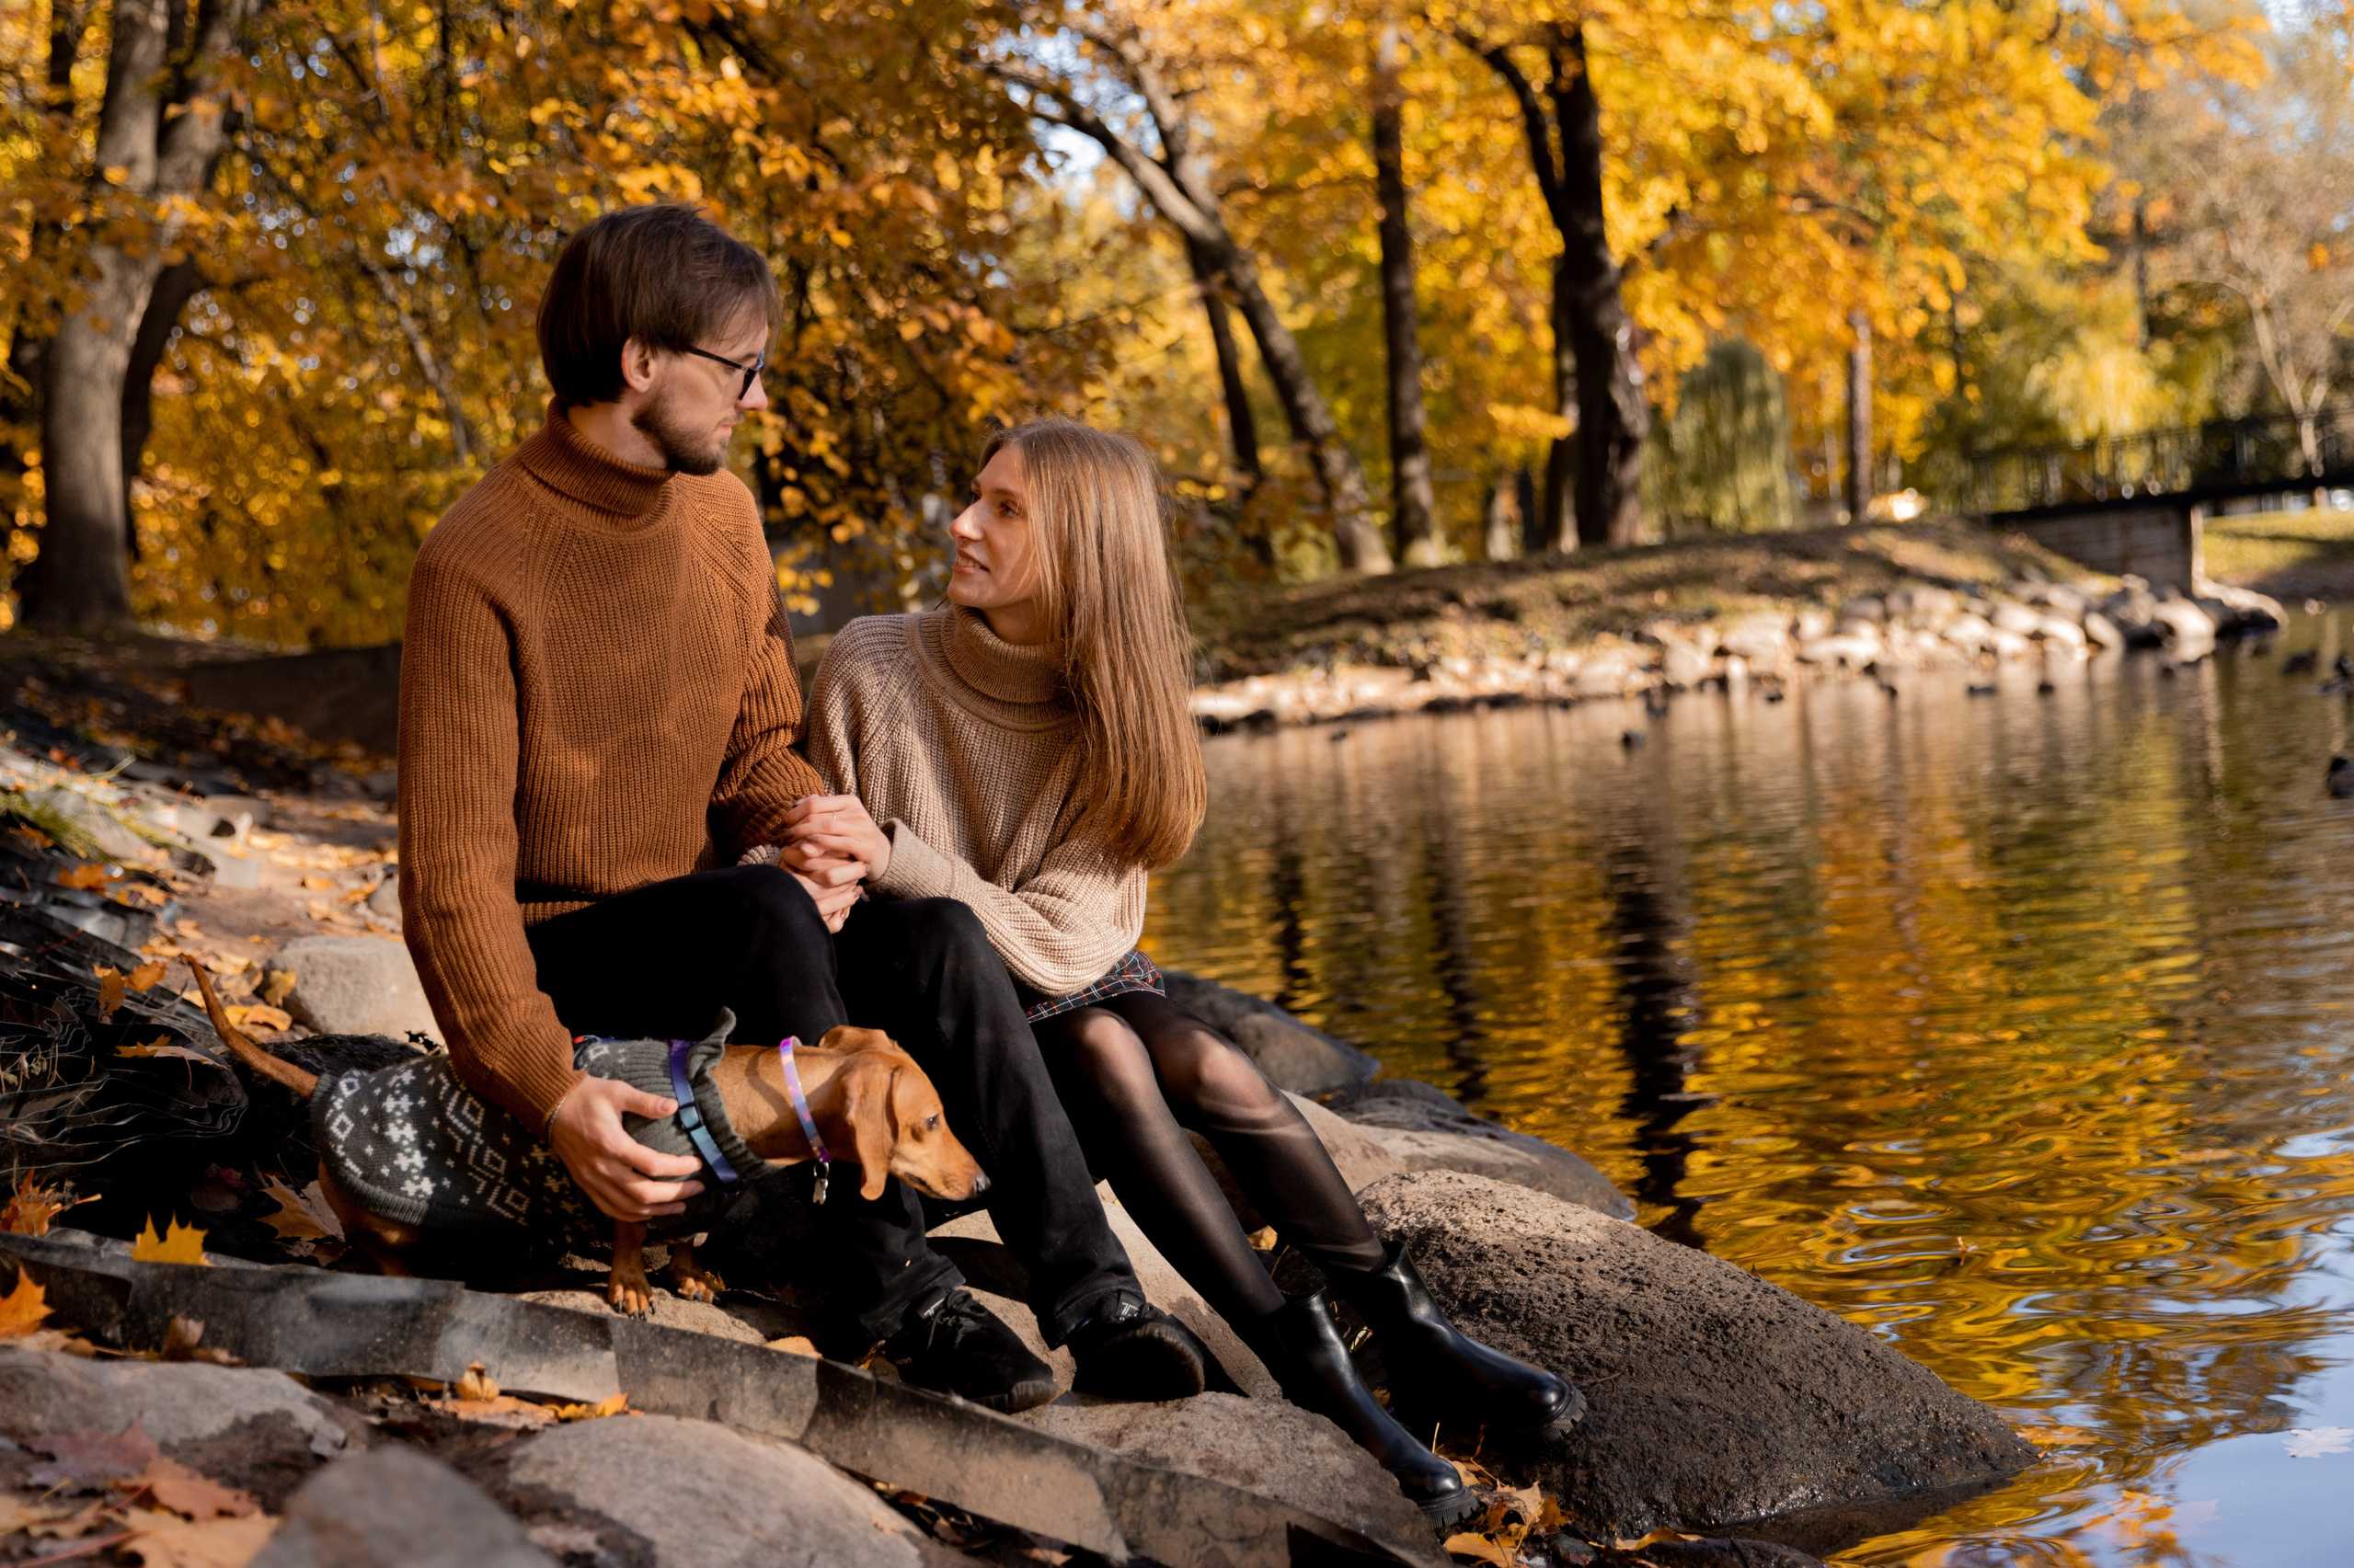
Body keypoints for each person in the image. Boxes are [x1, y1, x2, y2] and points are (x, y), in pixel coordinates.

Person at [396, 209, 1207, 1413]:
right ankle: (890, 1296)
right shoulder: (475, 561)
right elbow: (451, 883)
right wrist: (545, 1083)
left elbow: (755, 748)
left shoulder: (719, 516)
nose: (758, 399)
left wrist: (806, 830)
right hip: (579, 953)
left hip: (724, 924)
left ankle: (1093, 1296)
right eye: (740, 369)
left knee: (935, 933)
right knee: (765, 909)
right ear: (639, 364)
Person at [778, 418, 1582, 1527]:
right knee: (1111, 1040)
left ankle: (1409, 1327)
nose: (961, 524)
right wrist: (851, 862)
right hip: (952, 1042)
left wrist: (901, 851)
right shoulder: (870, 664)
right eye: (975, 495)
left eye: (1005, 510)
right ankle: (1312, 1372)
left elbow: (1072, 942)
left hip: (1057, 982)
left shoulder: (1112, 716)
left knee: (1204, 1060)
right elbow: (843, 908)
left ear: (1085, 554)